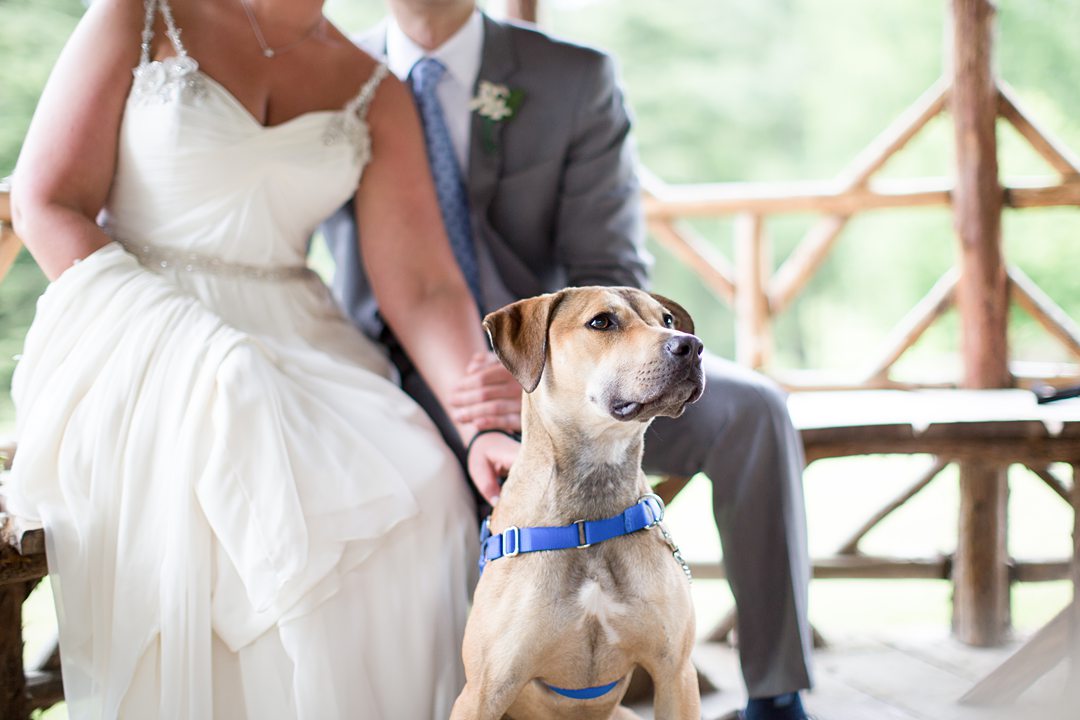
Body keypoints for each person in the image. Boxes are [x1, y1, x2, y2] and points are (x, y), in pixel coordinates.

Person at [4, 0, 518, 717]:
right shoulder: (139, 15)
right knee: (249, 464)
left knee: (424, 488)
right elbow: (45, 202)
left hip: (300, 334)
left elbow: (427, 287)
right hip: (129, 326)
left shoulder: (375, 85)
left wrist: (481, 423)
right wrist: (184, 340)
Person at [321, 2, 815, 719]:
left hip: (569, 366)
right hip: (396, 375)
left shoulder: (572, 77)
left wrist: (541, 364)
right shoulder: (333, 72)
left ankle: (777, 692)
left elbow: (608, 266)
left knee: (755, 410)